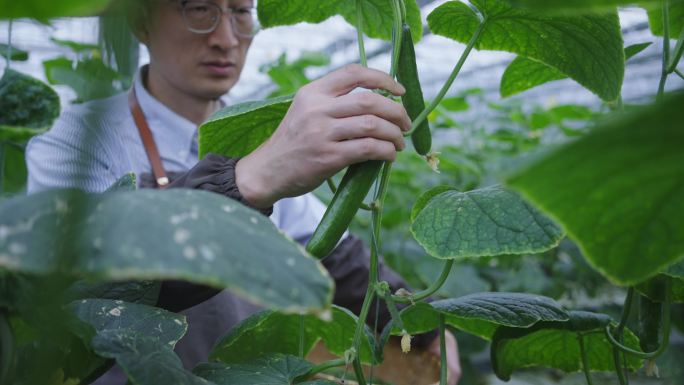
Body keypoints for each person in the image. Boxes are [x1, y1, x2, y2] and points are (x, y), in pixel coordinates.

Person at [25, 0, 461, 383]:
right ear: (140, 23)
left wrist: (421, 322)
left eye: (240, 11)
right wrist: (249, 179)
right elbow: (81, 281)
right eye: (199, 9)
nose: (225, 37)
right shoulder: (75, 139)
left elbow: (335, 257)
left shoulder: (264, 133)